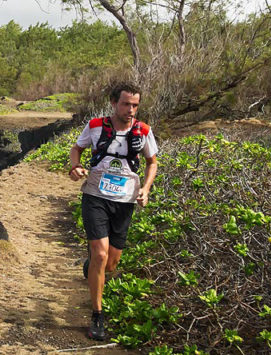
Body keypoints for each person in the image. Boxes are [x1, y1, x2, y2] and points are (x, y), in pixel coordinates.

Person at [68, 83, 159, 341]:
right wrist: (75, 166)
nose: (130, 110)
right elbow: (77, 149)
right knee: (100, 252)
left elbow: (152, 162)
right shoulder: (96, 125)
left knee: (110, 262)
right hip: (95, 196)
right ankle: (97, 315)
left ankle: (92, 266)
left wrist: (147, 189)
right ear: (113, 103)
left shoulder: (144, 131)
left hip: (125, 201)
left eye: (135, 105)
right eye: (125, 104)